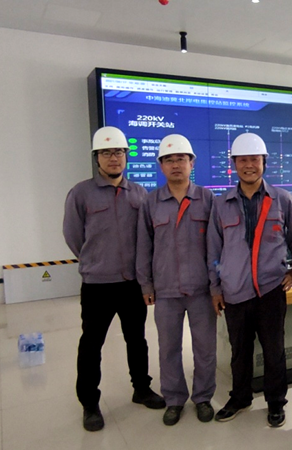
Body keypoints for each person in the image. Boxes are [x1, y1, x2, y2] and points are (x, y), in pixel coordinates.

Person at [63, 126, 165, 432]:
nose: (114, 158)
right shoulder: (81, 193)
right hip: (97, 285)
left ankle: (141, 389)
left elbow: (146, 237)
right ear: (97, 158)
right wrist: (95, 260)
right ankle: (89, 403)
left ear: (126, 156)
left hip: (131, 283)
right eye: (106, 153)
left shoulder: (139, 193)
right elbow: (73, 236)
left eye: (119, 152)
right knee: (91, 344)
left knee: (137, 339)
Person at [207, 133, 292, 428]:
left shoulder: (283, 200)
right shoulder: (221, 204)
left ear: (264, 162)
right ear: (234, 164)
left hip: (270, 290)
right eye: (243, 160)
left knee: (274, 351)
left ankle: (276, 402)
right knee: (240, 352)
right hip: (234, 290)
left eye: (255, 159)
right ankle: (240, 398)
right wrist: (215, 287)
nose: (249, 165)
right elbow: (213, 249)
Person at [136, 134, 216, 426]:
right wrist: (146, 284)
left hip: (201, 290)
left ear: (192, 163)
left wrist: (216, 285)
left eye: (181, 159)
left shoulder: (207, 199)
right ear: (161, 166)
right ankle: (174, 399)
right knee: (168, 349)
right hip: (166, 290)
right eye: (169, 160)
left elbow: (216, 247)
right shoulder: (151, 202)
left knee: (205, 348)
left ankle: (203, 397)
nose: (175, 165)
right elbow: (143, 246)